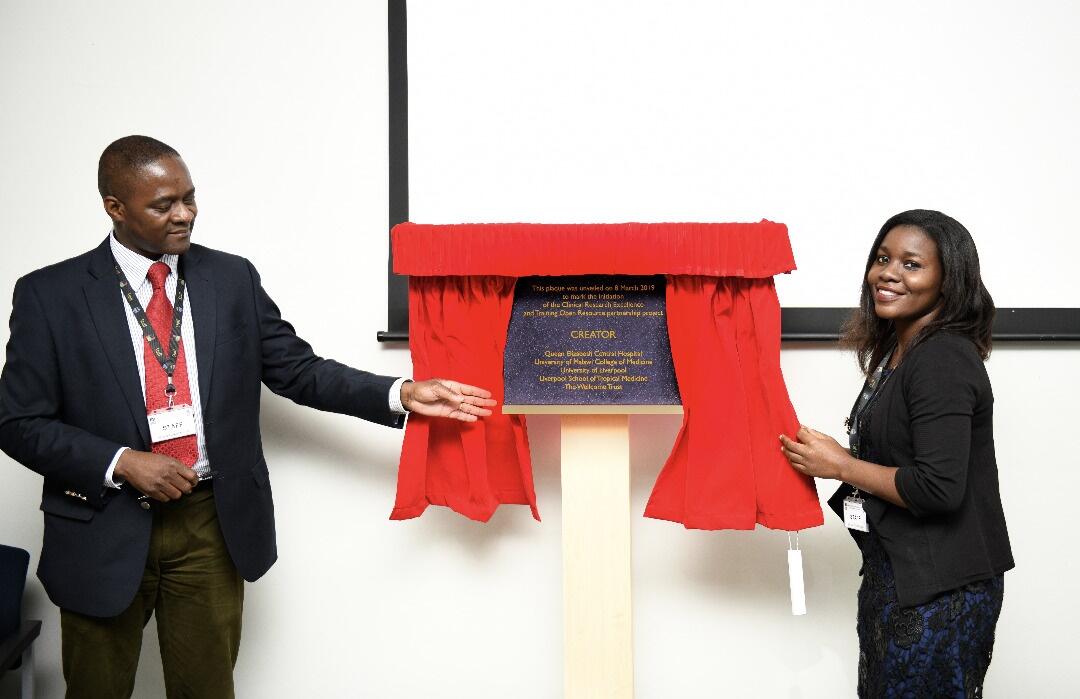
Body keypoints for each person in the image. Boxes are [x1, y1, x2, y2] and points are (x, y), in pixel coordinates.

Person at [0, 135, 496, 698]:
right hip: (102, 525)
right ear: (114, 206)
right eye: (164, 204)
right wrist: (121, 462)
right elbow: (18, 423)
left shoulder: (230, 279)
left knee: (208, 689)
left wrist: (400, 392)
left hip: (210, 524)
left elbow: (298, 370)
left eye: (190, 197)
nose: (184, 214)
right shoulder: (49, 294)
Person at [779, 210, 1013, 697]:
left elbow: (938, 488)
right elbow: (908, 458)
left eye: (912, 264)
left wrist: (842, 466)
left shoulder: (942, 358)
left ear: (949, 281)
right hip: (899, 577)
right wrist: (834, 455)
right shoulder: (901, 351)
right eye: (883, 259)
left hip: (940, 591)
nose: (888, 273)